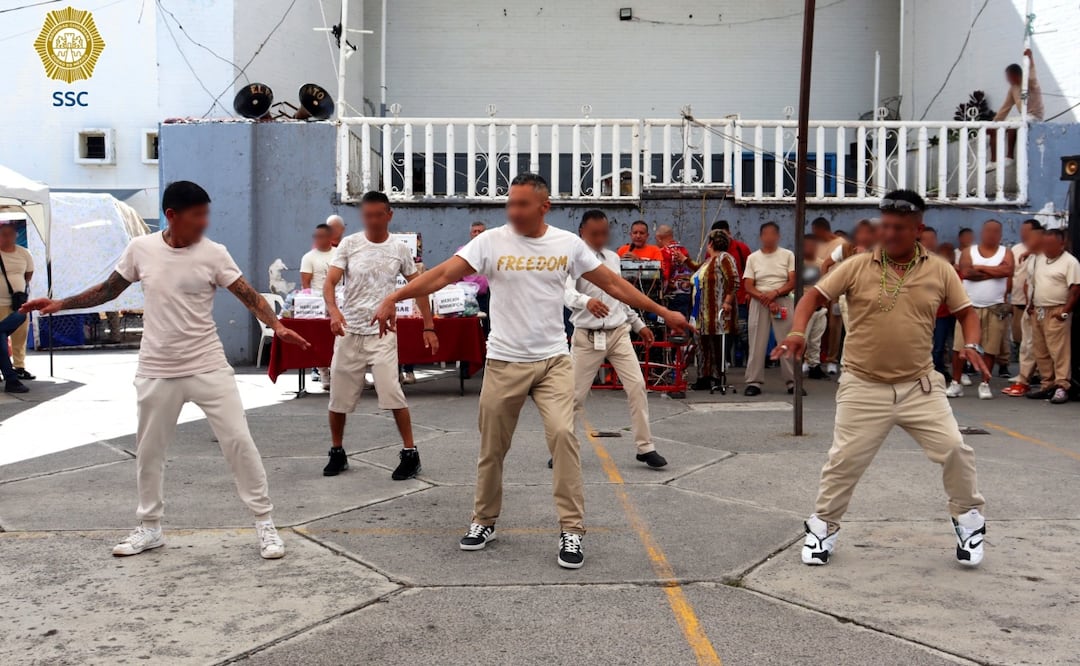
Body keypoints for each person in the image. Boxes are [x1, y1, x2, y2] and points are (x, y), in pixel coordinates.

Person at [370, 173, 690, 570]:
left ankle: (572, 528)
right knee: (492, 447)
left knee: (563, 436)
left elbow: (614, 284)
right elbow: (441, 275)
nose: (514, 212)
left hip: (554, 361)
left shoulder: (567, 244)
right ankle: (483, 519)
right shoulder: (490, 242)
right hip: (504, 362)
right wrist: (394, 297)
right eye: (510, 204)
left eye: (522, 204)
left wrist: (663, 312)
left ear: (544, 206)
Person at [21, 181, 310, 559]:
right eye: (197, 216)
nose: (205, 223)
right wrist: (61, 303)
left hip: (207, 365)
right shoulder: (141, 250)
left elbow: (249, 295)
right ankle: (150, 527)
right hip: (157, 368)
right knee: (149, 451)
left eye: (207, 214)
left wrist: (276, 324)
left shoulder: (214, 253)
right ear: (171, 216)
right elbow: (109, 290)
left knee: (239, 442)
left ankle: (264, 523)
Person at [773, 189, 988, 568]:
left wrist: (972, 343)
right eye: (884, 226)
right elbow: (811, 298)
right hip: (863, 384)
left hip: (919, 385)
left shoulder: (940, 270)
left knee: (955, 449)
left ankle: (969, 520)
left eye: (899, 228)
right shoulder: (856, 266)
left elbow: (967, 312)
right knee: (844, 460)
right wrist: (796, 333)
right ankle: (822, 527)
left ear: (918, 228)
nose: (889, 234)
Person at [321, 191, 438, 481]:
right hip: (350, 331)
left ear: (389, 215)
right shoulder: (349, 244)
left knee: (392, 392)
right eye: (367, 215)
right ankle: (337, 451)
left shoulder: (399, 249)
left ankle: (410, 453)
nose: (372, 221)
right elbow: (331, 281)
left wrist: (428, 325)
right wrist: (334, 311)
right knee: (338, 397)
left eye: (377, 215)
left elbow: (419, 286)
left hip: (383, 333)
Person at [564, 210, 667, 468]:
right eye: (594, 234)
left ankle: (645, 447)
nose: (600, 238)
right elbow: (564, 293)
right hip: (587, 337)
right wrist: (586, 301)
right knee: (574, 397)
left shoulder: (612, 258)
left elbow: (620, 295)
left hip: (618, 333)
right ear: (582, 234)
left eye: (604, 233)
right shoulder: (572, 261)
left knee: (637, 387)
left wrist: (638, 324)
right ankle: (563, 449)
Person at [949, 220, 1013, 400]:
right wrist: (994, 270)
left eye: (995, 231)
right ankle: (956, 383)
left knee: (991, 348)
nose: (991, 234)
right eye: (988, 230)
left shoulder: (1005, 252)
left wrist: (981, 268)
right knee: (959, 347)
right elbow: (967, 272)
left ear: (1000, 234)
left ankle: (985, 383)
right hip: (969, 307)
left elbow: (1007, 270)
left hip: (995, 307)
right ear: (982, 232)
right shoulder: (969, 251)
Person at [1025, 229, 1079, 404]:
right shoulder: (1040, 260)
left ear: (1061, 244)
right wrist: (1031, 304)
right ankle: (1047, 385)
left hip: (1056, 309)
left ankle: (1062, 386)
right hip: (1039, 310)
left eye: (1050, 244)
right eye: (1044, 244)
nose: (1046, 248)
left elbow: (1075, 289)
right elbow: (1035, 284)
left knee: (1059, 351)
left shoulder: (1070, 262)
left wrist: (1065, 311)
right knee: (1041, 351)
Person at [742, 221, 797, 396]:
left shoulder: (788, 255)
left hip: (782, 299)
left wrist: (776, 293)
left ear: (778, 236)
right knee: (757, 342)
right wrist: (765, 297)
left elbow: (793, 281)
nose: (769, 238)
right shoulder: (753, 258)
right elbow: (748, 285)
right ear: (761, 237)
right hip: (760, 301)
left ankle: (793, 382)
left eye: (773, 234)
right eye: (766, 234)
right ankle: (754, 381)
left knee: (787, 340)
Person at [690, 229, 739, 390]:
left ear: (709, 243)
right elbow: (696, 269)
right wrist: (684, 260)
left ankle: (718, 377)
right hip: (702, 312)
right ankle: (703, 376)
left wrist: (728, 302)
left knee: (717, 344)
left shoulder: (725, 258)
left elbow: (733, 280)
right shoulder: (708, 261)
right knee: (702, 344)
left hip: (717, 310)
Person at [1002, 219, 1044, 396]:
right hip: (1029, 306)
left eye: (1032, 237)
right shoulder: (1031, 257)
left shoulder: (1047, 258)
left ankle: (1037, 379)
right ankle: (1024, 379)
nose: (1027, 239)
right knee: (1026, 343)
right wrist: (1029, 303)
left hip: (1044, 308)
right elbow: (1028, 283)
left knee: (1037, 346)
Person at [711, 220, 752, 367]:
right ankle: (725, 360)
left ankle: (749, 361)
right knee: (724, 331)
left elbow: (751, 272)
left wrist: (749, 293)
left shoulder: (741, 249)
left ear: (729, 233)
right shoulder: (711, 252)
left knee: (743, 332)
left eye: (722, 234)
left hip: (740, 298)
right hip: (719, 300)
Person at [991, 49, 1043, 162]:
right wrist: (994, 123)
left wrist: (1031, 59)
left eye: (1009, 77)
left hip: (1035, 117)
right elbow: (1005, 108)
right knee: (997, 127)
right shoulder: (1013, 89)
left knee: (1012, 123)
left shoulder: (1028, 82)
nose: (1008, 80)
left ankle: (1009, 157)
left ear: (1015, 75)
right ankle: (993, 161)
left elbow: (1033, 75)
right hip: (1023, 117)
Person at [0, 222, 35, 382]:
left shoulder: (24, 253)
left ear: (16, 235)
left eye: (11, 234)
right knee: (0, 338)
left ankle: (19, 367)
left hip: (18, 304)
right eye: (4, 234)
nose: (8, 238)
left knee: (20, 336)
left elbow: (29, 274)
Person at [811, 217, 846, 375]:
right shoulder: (817, 246)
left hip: (838, 290)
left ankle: (831, 359)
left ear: (822, 230)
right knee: (817, 327)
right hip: (821, 288)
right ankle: (813, 358)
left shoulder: (842, 244)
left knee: (834, 326)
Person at [801, 235, 828, 380]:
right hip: (804, 308)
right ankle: (796, 367)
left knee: (816, 340)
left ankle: (814, 366)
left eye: (812, 245)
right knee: (802, 339)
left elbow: (828, 285)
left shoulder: (822, 264)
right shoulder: (797, 264)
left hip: (820, 308)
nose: (809, 248)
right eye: (806, 245)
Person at [655, 224, 697, 318]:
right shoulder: (682, 249)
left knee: (674, 322)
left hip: (673, 293)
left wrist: (662, 292)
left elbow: (665, 274)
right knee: (684, 318)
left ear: (659, 238)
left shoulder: (664, 252)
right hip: (686, 290)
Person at [932, 242, 959, 381]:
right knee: (939, 345)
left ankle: (950, 371)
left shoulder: (956, 272)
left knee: (953, 344)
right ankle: (938, 369)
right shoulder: (934, 273)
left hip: (953, 314)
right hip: (940, 314)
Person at [460, 221, 491, 334]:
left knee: (488, 327)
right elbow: (454, 277)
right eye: (475, 231)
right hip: (469, 298)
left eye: (480, 232)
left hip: (488, 297)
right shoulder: (463, 252)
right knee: (471, 329)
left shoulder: (492, 251)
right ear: (471, 234)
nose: (477, 234)